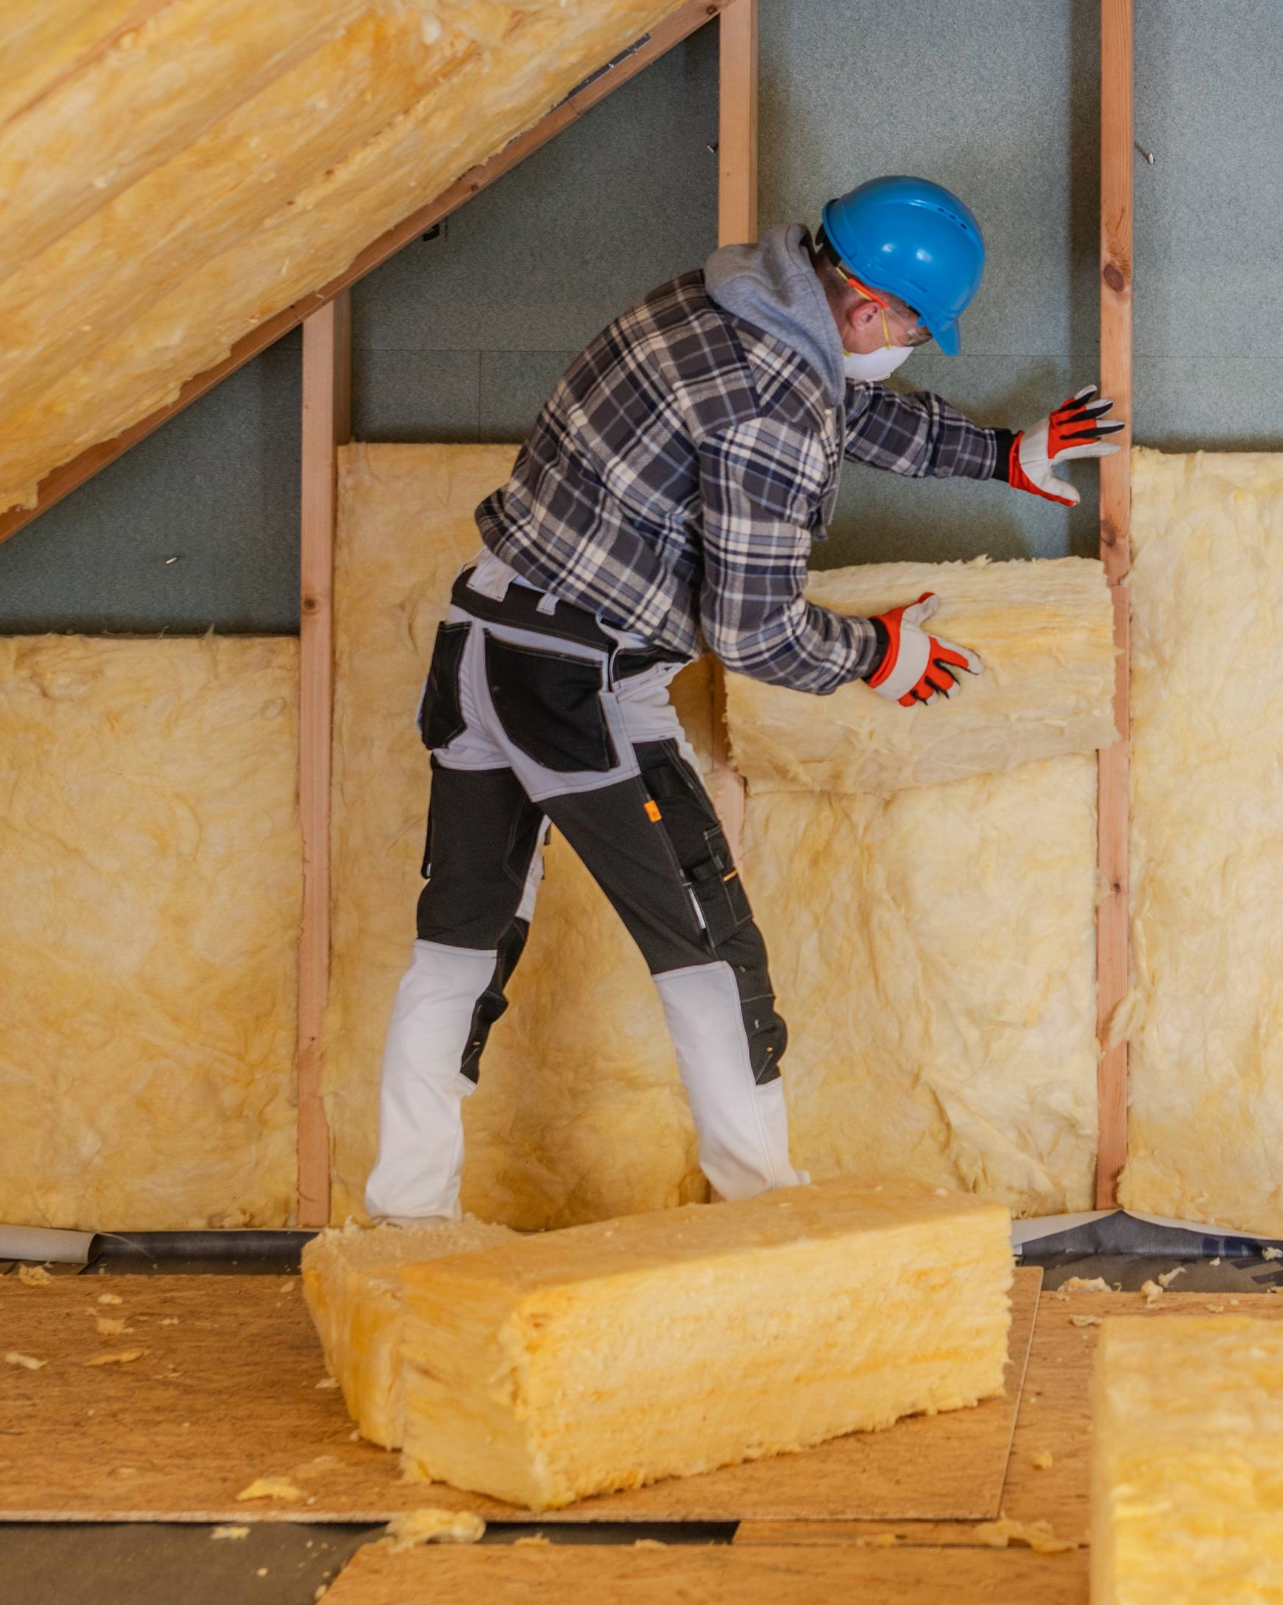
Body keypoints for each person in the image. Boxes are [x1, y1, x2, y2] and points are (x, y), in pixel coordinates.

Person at [364, 175, 1122, 1220]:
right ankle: (763, 1209)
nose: (907, 342)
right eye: (913, 326)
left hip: (487, 639)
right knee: (709, 948)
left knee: (460, 941)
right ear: (865, 307)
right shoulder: (774, 399)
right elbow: (756, 628)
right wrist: (877, 656)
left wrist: (999, 454)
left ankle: (406, 1218)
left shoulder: (727, 301)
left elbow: (843, 409)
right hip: (574, 680)